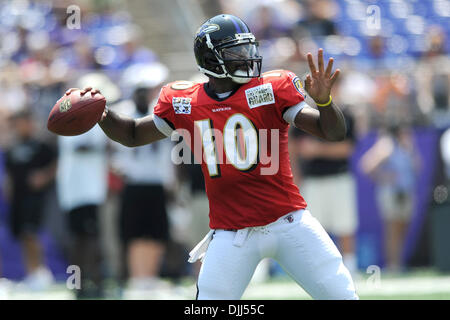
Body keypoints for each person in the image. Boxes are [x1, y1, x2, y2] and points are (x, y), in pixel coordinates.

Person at [65, 14, 357, 300]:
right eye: (236, 51)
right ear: (210, 59)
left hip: (288, 221)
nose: (247, 56)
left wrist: (325, 102)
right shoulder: (185, 101)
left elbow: (331, 132)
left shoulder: (270, 89)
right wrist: (102, 114)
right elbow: (131, 134)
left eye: (248, 48)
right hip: (231, 234)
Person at [110, 62, 175, 293]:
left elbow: (168, 153)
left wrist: (170, 181)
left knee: (156, 233)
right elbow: (115, 149)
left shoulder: (159, 111)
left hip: (156, 182)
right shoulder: (123, 111)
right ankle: (138, 279)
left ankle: (150, 278)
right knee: (136, 233)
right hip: (134, 182)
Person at [291, 109, 358, 275]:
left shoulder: (345, 114)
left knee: (345, 227)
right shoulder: (304, 114)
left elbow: (347, 148)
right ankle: (316, 270)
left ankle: (350, 267)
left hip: (339, 177)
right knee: (313, 231)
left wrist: (318, 149)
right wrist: (295, 173)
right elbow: (293, 144)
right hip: (312, 180)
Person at [4, 109, 57, 290]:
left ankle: (41, 272)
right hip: (18, 198)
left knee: (31, 234)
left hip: (35, 199)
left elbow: (55, 164)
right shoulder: (12, 147)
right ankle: (31, 273)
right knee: (22, 236)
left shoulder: (42, 145)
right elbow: (11, 172)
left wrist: (44, 176)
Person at [56, 125, 108, 299]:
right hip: (77, 190)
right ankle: (80, 283)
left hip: (91, 190)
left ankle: (93, 282)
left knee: (90, 237)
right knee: (80, 239)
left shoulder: (94, 119)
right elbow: (81, 146)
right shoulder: (72, 116)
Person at [360, 124, 419, 272]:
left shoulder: (407, 145)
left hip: (406, 191)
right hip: (391, 192)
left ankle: (398, 263)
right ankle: (393, 265)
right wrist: (384, 177)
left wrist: (410, 149)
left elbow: (418, 167)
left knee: (403, 227)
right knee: (392, 229)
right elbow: (367, 166)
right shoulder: (386, 144)